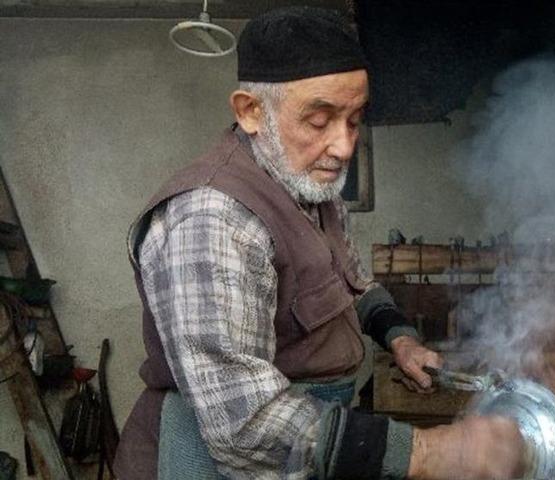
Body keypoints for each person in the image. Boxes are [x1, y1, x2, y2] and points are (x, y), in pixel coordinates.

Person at [113, 6, 525, 480]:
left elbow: (354, 284)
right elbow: (245, 424)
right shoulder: (213, 216)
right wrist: (428, 453)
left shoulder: (312, 189)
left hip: (311, 446)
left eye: (354, 119)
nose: (345, 145)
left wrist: (401, 339)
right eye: (319, 119)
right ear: (250, 111)